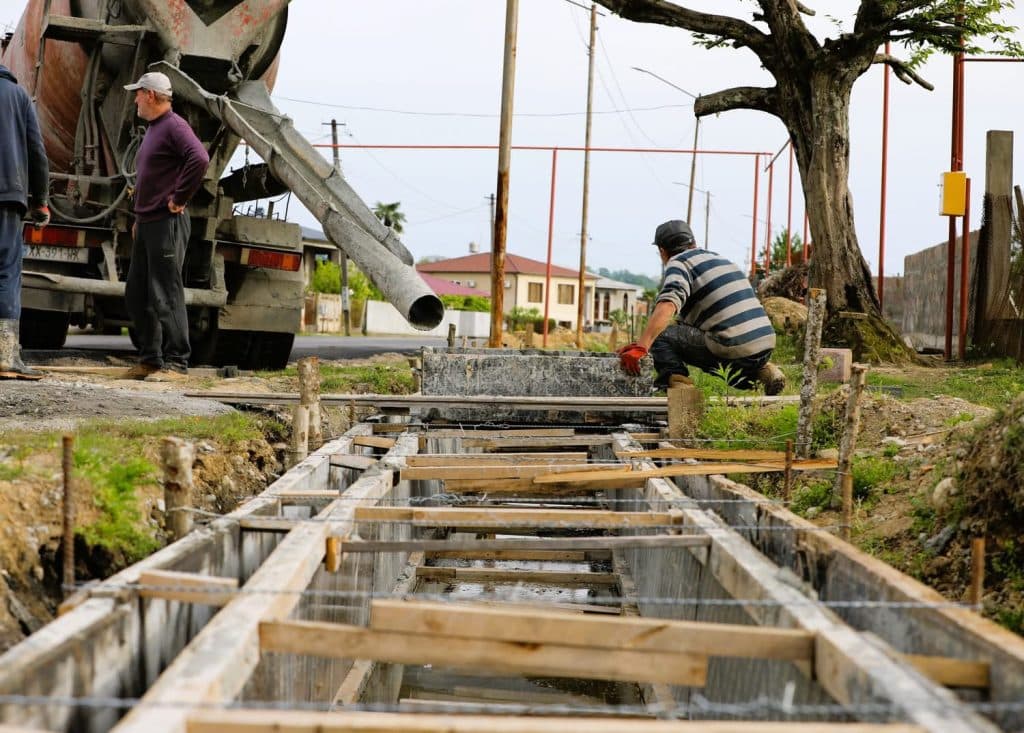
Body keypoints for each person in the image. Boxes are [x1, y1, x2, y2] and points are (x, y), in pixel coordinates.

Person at [617, 220, 786, 395]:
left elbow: (667, 305)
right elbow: (685, 328)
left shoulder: (679, 263)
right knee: (731, 364)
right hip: (765, 344)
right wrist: (642, 342)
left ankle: (679, 386)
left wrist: (642, 346)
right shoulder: (721, 260)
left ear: (662, 251)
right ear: (693, 242)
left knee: (661, 337)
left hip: (733, 347)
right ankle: (764, 372)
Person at [122, 71, 209, 382]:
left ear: (151, 96)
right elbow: (149, 178)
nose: (134, 99)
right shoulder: (154, 128)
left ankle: (177, 362)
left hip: (166, 221)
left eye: (138, 93)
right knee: (136, 293)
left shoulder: (174, 125)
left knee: (165, 293)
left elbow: (199, 158)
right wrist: (138, 219)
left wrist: (179, 197)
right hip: (148, 221)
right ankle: (150, 359)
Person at [0, 63, 50, 381]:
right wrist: (41, 201)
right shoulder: (19, 96)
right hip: (8, 199)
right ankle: (5, 356)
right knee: (6, 272)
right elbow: (37, 152)